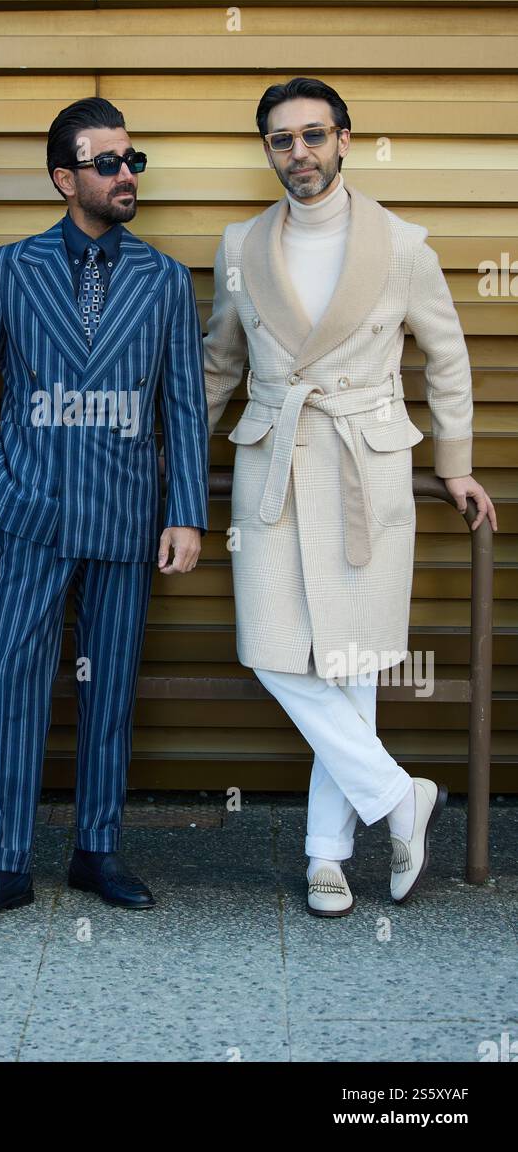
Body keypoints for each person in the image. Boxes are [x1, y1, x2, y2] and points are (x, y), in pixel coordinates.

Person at [202, 77, 497, 917]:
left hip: (366, 466)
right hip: (273, 463)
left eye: (313, 135)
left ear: (343, 139)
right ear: (268, 151)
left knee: (349, 661)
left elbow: (446, 356)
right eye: (282, 140)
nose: (299, 152)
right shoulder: (239, 244)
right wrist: (176, 467)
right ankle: (401, 797)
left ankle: (326, 857)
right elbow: (219, 363)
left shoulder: (402, 244)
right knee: (270, 649)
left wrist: (455, 461)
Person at [0, 96, 209, 924]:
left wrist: (187, 513)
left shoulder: (163, 280)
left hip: (128, 520)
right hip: (32, 516)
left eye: (133, 161)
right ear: (65, 178)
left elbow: (185, 407)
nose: (126, 174)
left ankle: (97, 851)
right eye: (108, 163)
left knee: (112, 689)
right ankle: (4, 863)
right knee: (14, 685)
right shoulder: (8, 269)